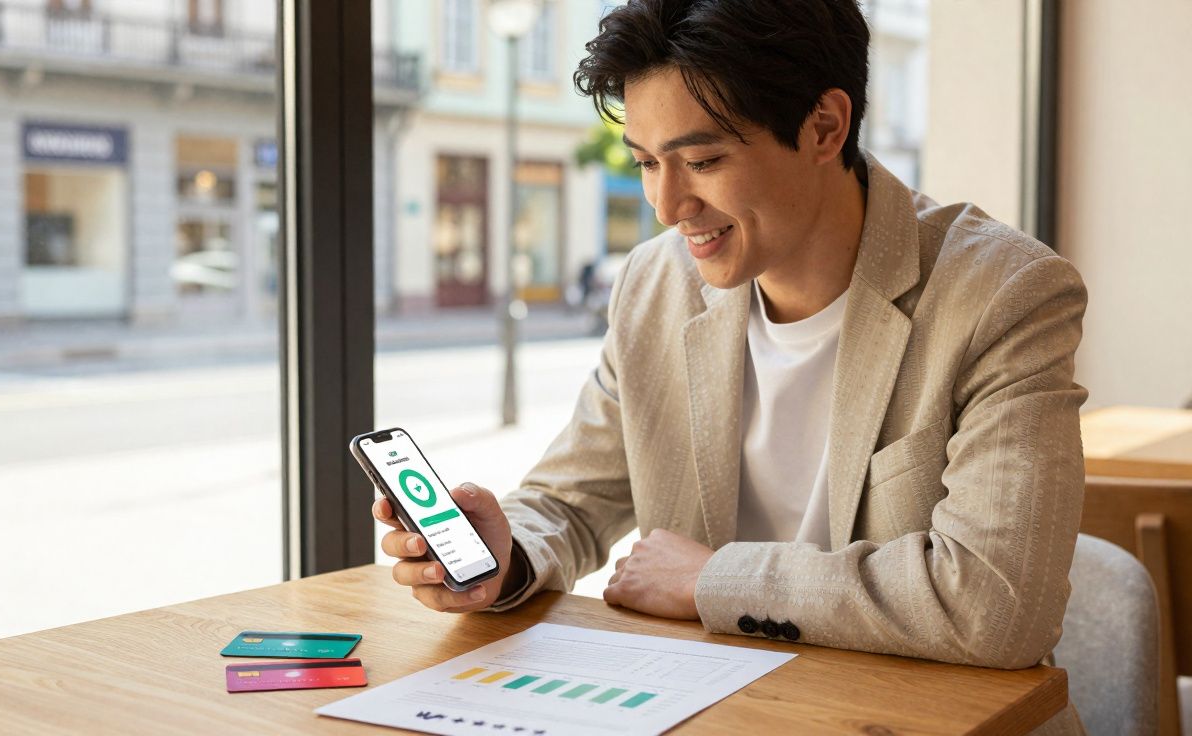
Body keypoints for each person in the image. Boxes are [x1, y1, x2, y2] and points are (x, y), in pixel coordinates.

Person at [374, 1, 1086, 732]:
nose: (666, 205)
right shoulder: (656, 285)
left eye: (703, 161)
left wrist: (714, 579)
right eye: (647, 164)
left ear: (824, 127)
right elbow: (571, 501)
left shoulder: (1004, 294)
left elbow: (998, 608)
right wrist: (506, 558)